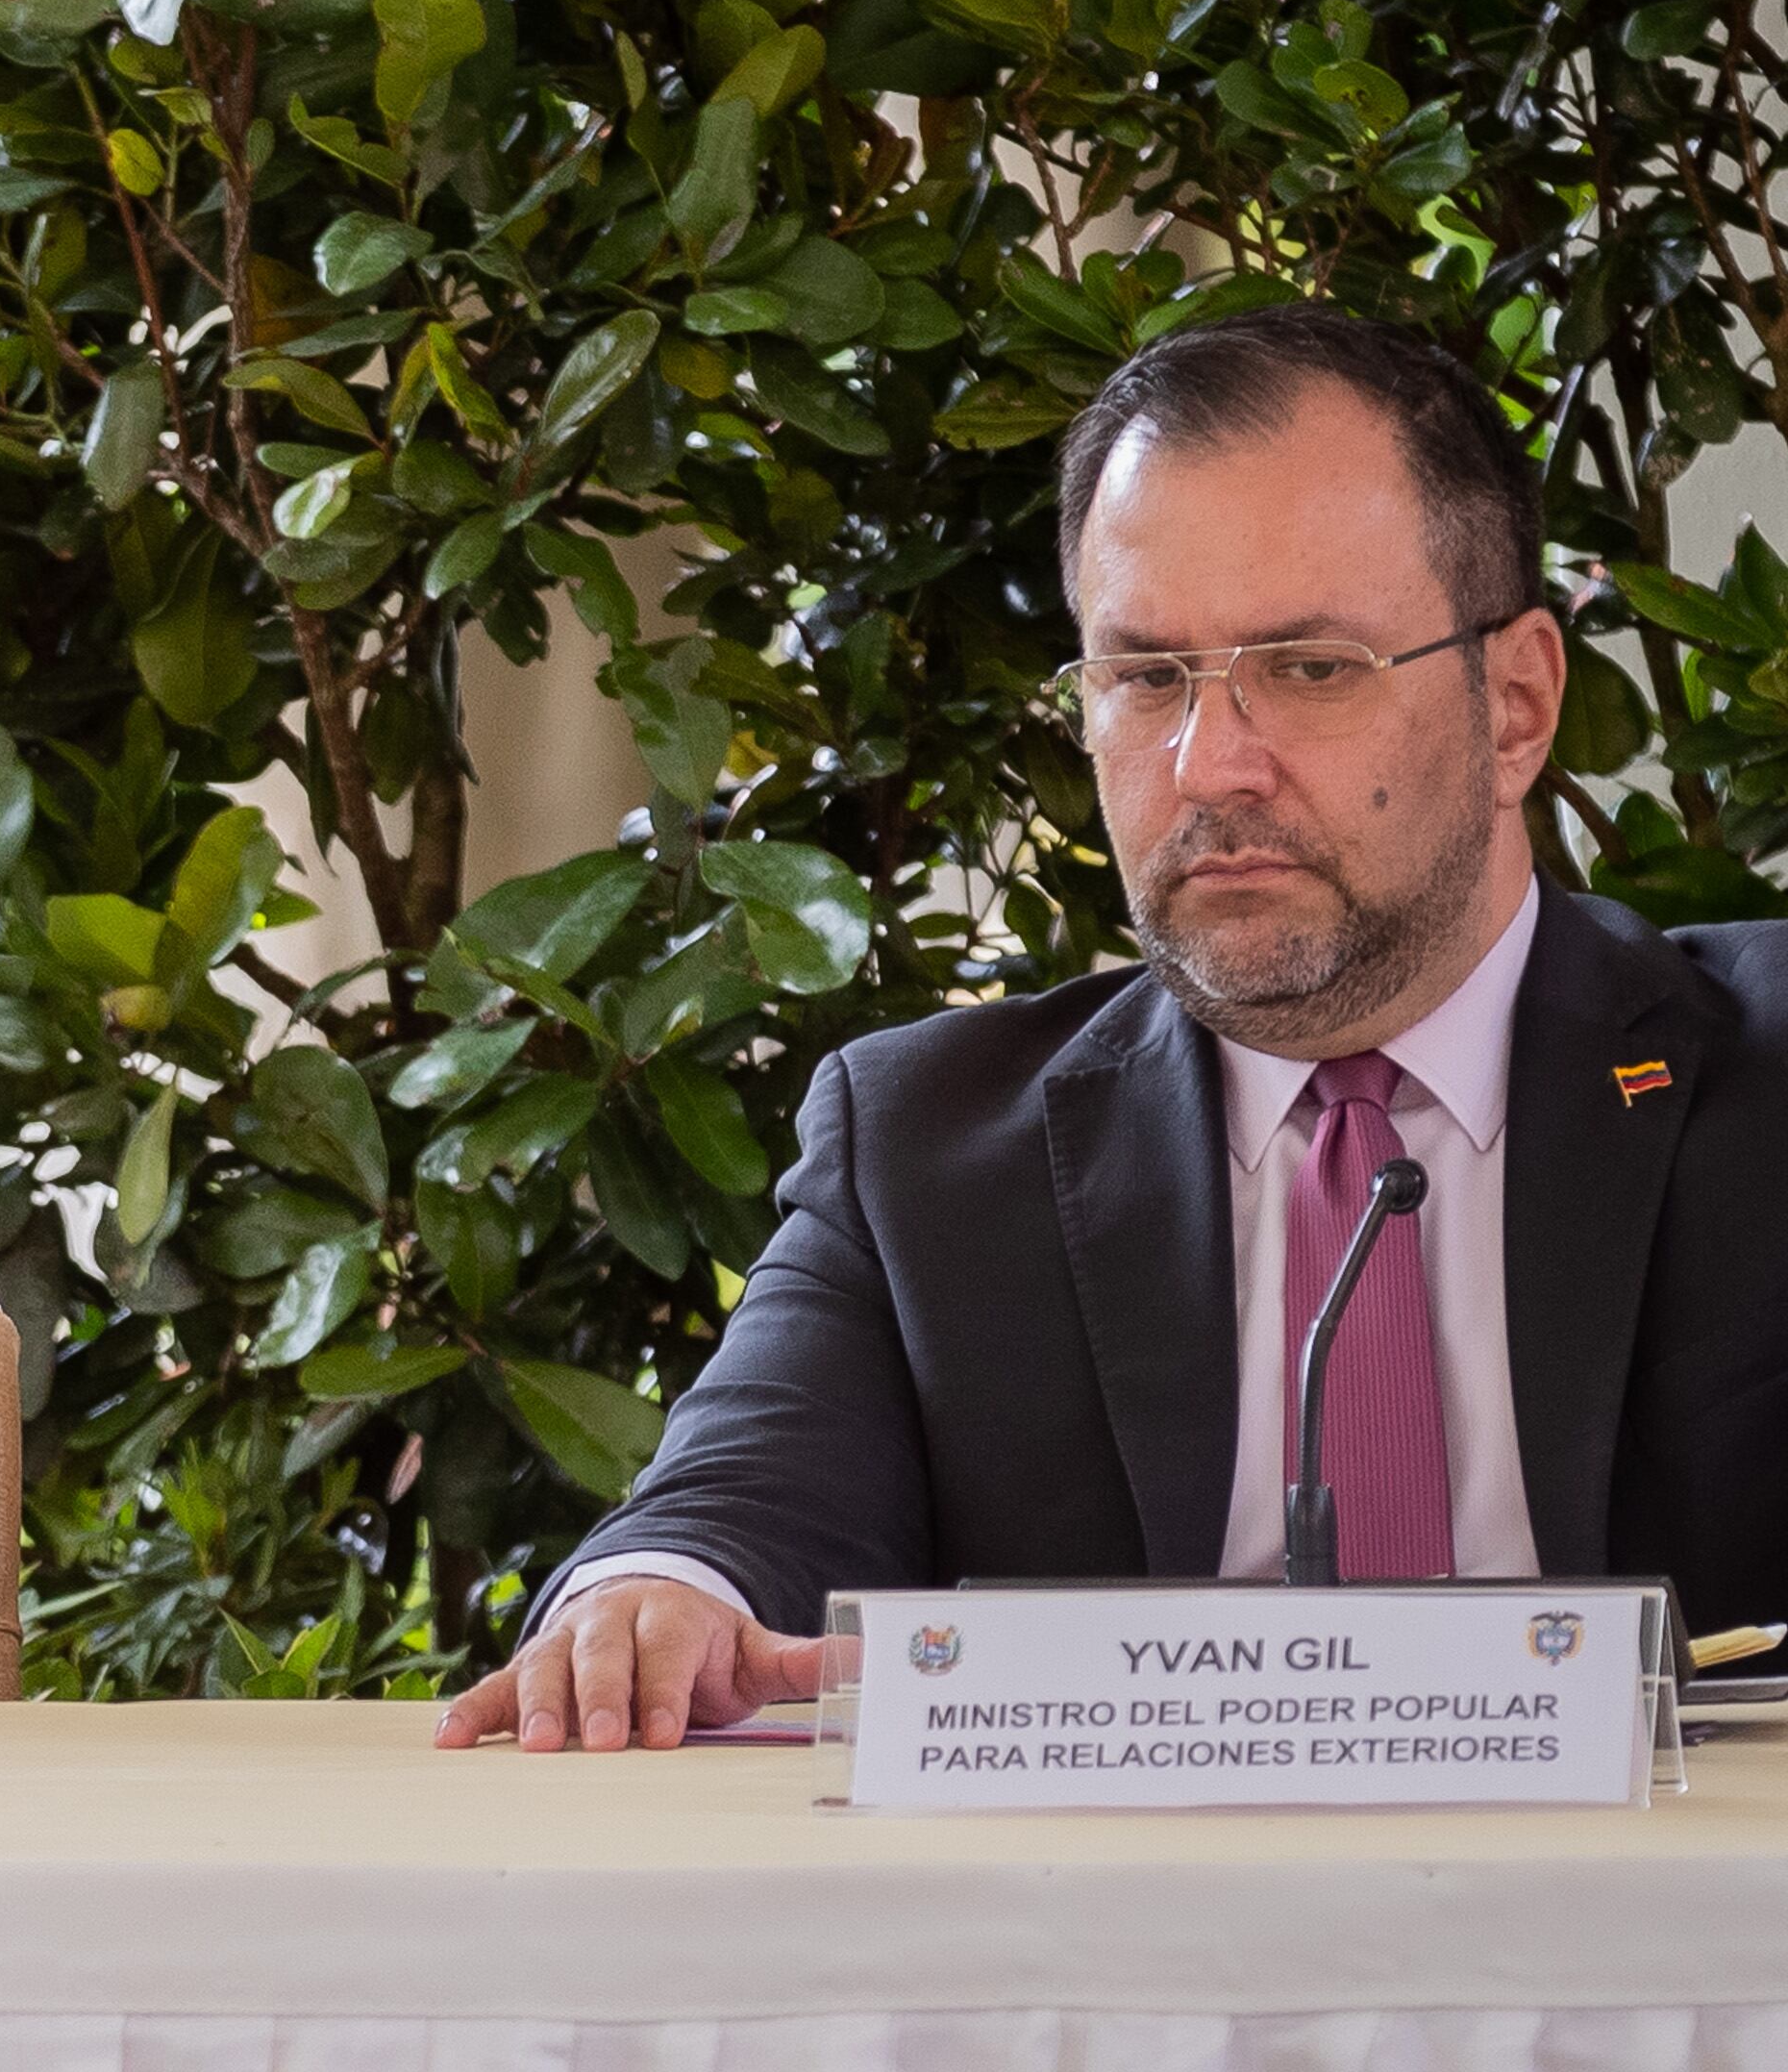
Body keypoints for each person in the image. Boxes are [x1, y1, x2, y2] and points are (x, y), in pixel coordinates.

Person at [441, 301, 1788, 1755]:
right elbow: (737, 1500)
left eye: (1311, 667)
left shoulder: (1763, 1079)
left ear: (1516, 703)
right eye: (1146, 678)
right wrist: (655, 1594)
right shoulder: (927, 1147)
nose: (1212, 762)